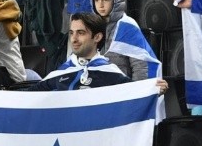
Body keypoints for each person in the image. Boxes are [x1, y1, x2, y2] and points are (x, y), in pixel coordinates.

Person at [28, 12, 168, 93]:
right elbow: (27, 98)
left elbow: (135, 93)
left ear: (97, 37)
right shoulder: (61, 73)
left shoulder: (111, 74)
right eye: (71, 33)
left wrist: (152, 89)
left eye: (80, 33)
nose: (74, 39)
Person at [92, 0, 154, 80]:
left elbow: (141, 65)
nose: (100, 5)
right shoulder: (90, 26)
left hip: (122, 89)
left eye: (105, 0)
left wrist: (136, 92)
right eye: (96, 0)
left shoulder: (127, 25)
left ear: (116, 0)